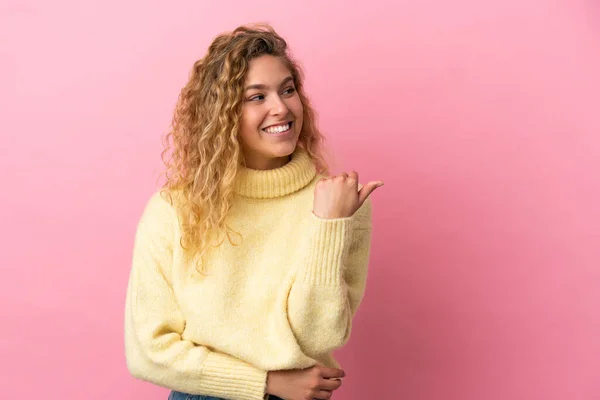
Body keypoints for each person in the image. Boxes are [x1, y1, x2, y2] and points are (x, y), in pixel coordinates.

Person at [124, 23, 383, 400]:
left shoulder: (340, 204)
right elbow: (148, 351)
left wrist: (329, 226)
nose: (281, 107)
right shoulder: (175, 210)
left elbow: (319, 336)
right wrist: (265, 383)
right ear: (222, 113)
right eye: (256, 97)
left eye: (288, 89)